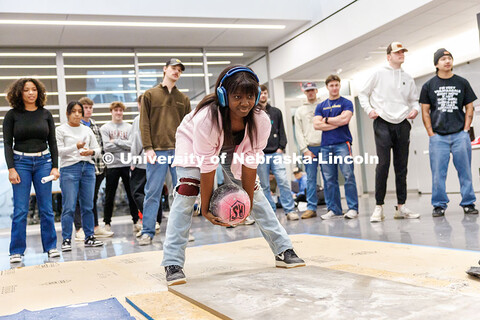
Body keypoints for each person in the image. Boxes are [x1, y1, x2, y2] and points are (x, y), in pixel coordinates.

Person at [162, 65, 305, 286]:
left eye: (250, 96)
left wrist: (245, 204)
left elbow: (249, 166)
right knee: (187, 191)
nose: (245, 102)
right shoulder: (205, 119)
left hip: (232, 146)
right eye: (237, 96)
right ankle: (172, 262)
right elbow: (207, 166)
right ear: (223, 95)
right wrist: (207, 208)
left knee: (255, 193)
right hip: (192, 141)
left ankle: (283, 249)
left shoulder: (261, 121)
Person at [358, 41, 420, 222]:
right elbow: (363, 93)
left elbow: (414, 100)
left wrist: (414, 111)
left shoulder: (408, 77)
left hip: (402, 123)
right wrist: (369, 110)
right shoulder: (378, 74)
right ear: (388, 56)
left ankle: (401, 207)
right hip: (382, 122)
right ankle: (379, 207)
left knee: (401, 167)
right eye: (397, 52)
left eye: (403, 52)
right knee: (383, 165)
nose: (401, 54)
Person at [3, 78, 60, 263]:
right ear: (19, 93)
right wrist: (11, 168)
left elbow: (52, 142)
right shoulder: (12, 115)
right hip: (21, 163)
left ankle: (51, 247)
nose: (30, 93)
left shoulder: (46, 114)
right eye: (26, 89)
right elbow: (7, 144)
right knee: (20, 209)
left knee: (47, 208)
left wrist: (55, 166)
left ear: (39, 92)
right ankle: (16, 251)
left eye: (34, 89)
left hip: (44, 162)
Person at [420, 48, 478, 217]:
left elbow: (469, 106)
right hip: (438, 137)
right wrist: (431, 133)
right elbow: (425, 111)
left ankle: (468, 203)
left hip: (460, 134)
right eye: (443, 59)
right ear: (436, 64)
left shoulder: (462, 82)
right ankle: (438, 205)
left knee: (465, 171)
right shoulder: (428, 85)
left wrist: (466, 129)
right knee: (438, 173)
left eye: (449, 58)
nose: (447, 61)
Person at [138, 58, 191, 245]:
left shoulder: (183, 99)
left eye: (179, 70)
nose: (176, 72)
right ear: (165, 69)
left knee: (182, 192)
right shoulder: (150, 95)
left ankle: (183, 231)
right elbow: (144, 123)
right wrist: (148, 148)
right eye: (173, 68)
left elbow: (188, 127)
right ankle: (147, 231)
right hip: (157, 152)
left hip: (179, 151)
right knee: (152, 192)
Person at [56, 101, 104, 251]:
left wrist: (91, 152)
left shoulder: (87, 129)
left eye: (79, 111)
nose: (77, 114)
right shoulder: (61, 130)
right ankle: (66, 240)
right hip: (69, 169)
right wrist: (75, 147)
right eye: (73, 111)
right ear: (67, 113)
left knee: (88, 206)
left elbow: (98, 148)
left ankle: (89, 237)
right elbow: (58, 151)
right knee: (69, 206)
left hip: (88, 168)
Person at [313, 75, 359, 220]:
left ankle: (352, 208)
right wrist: (337, 121)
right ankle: (334, 209)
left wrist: (326, 120)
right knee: (329, 178)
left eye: (336, 85)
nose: (334, 88)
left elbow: (345, 119)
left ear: (339, 86)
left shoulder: (346, 103)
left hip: (343, 144)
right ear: (327, 87)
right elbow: (316, 125)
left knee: (348, 175)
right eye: (331, 85)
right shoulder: (321, 106)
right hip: (326, 146)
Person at [72, 97, 113, 239]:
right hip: (82, 166)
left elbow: (100, 146)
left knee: (92, 198)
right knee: (79, 198)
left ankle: (95, 226)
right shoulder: (76, 126)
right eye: (85, 107)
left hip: (99, 167)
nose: (88, 110)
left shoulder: (95, 124)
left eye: (90, 107)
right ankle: (79, 228)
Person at [257, 85, 299, 220]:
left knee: (283, 181)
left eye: (265, 93)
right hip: (261, 154)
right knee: (264, 185)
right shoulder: (253, 113)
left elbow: (282, 131)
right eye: (260, 93)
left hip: (276, 152)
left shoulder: (276, 112)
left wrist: (281, 147)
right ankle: (271, 213)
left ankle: (289, 210)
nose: (263, 95)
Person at [100, 101, 139, 232]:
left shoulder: (129, 127)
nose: (118, 113)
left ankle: (136, 221)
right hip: (112, 166)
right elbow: (106, 147)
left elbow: (131, 145)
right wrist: (122, 144)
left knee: (131, 194)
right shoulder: (105, 128)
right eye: (116, 110)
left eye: (120, 110)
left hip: (127, 164)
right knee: (109, 195)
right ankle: (107, 223)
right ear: (111, 112)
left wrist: (115, 141)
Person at [129, 95, 162, 234]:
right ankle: (157, 221)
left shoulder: (139, 118)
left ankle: (151, 220)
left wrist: (133, 160)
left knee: (137, 192)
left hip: (142, 160)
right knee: (155, 192)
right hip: (158, 160)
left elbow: (136, 140)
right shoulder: (158, 118)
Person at [294, 82, 323, 219]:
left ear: (316, 91)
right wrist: (305, 150)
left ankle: (332, 207)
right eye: (308, 91)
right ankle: (311, 207)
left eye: (312, 90)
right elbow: (298, 132)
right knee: (310, 179)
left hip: (325, 146)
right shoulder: (300, 110)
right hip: (309, 149)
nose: (310, 93)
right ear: (304, 92)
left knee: (329, 178)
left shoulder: (323, 105)